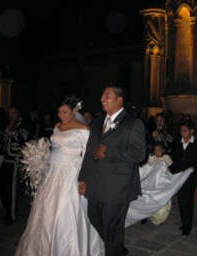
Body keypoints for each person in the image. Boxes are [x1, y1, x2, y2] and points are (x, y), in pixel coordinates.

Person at [15, 97, 104, 256]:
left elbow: (87, 155)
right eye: (59, 112)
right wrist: (41, 157)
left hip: (71, 172)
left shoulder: (83, 129)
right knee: (45, 207)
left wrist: (85, 178)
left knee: (64, 207)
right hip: (52, 171)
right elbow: (54, 146)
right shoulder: (57, 126)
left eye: (65, 112)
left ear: (74, 111)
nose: (61, 115)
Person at [78, 83, 146, 256]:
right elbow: (89, 152)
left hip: (117, 186)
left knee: (113, 226)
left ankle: (114, 249)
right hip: (96, 183)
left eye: (107, 95)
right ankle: (116, 246)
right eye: (102, 96)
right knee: (94, 217)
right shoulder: (98, 122)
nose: (102, 99)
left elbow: (139, 154)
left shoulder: (132, 123)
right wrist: (84, 178)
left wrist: (109, 152)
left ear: (119, 99)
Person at [168, 120, 197, 235]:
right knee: (180, 199)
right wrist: (171, 168)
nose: (182, 133)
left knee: (188, 200)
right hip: (179, 176)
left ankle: (187, 226)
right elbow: (177, 161)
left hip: (190, 177)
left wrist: (194, 167)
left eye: (185, 131)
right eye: (181, 131)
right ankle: (184, 222)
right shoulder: (178, 143)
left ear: (191, 131)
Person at [0, 106, 29, 224]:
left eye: (14, 113)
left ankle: (12, 215)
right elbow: (0, 141)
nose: (11, 115)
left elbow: (24, 140)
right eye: (10, 113)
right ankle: (9, 209)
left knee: (13, 189)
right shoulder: (7, 124)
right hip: (5, 159)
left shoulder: (23, 126)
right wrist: (5, 132)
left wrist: (13, 132)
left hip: (15, 161)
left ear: (18, 113)